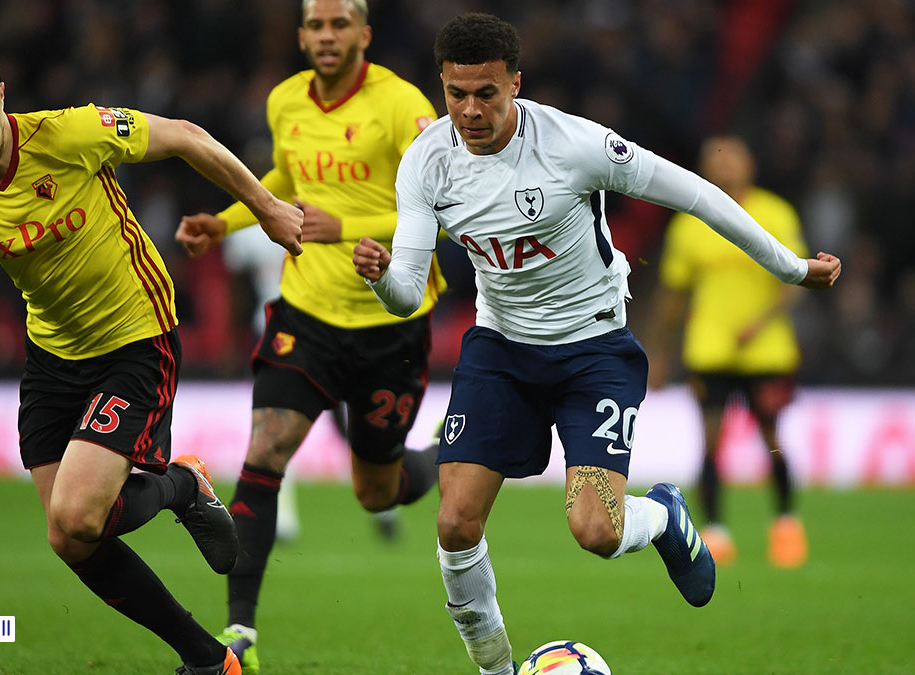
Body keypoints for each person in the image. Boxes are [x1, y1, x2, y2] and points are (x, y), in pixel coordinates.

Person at [352, 13, 841, 675]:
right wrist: (384, 280)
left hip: (593, 351)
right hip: (500, 348)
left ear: (515, 84)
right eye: (456, 93)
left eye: (486, 93)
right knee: (454, 524)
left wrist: (788, 266)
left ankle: (665, 516)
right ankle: (495, 671)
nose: (470, 110)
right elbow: (410, 289)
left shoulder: (574, 146)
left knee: (596, 530)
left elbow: (694, 193)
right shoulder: (426, 163)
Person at [0, 37, 303, 675]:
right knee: (70, 537)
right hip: (54, 355)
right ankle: (208, 660)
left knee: (77, 514)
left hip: (135, 337)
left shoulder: (69, 134)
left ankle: (177, 486)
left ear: (3, 94)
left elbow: (188, 136)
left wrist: (268, 208)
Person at [176, 0, 444, 670]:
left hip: (391, 320)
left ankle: (445, 456)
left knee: (375, 490)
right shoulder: (285, 102)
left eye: (340, 25)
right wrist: (227, 223)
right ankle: (239, 636)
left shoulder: (401, 105)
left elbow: (446, 203)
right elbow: (285, 185)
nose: (327, 36)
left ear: (364, 34)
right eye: (316, 26)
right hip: (308, 312)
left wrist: (347, 230)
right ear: (301, 36)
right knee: (266, 449)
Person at [647, 135, 810, 569]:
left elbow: (796, 280)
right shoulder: (689, 224)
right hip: (711, 349)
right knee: (711, 442)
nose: (724, 167)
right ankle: (717, 531)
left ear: (750, 165)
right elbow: (672, 296)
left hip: (767, 350)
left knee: (772, 440)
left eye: (732, 158)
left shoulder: (775, 212)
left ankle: (785, 523)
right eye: (714, 161)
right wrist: (659, 353)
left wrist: (759, 321)